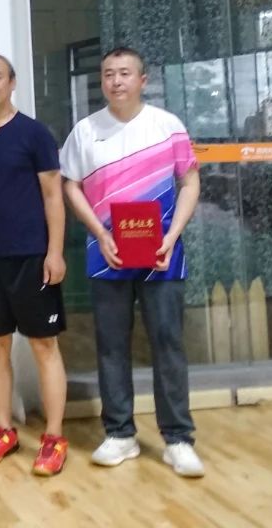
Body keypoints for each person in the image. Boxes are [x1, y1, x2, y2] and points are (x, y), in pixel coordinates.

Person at [60, 46, 205, 478]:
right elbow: (70, 186)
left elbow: (190, 181)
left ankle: (178, 439)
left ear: (143, 80)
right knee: (111, 346)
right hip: (107, 255)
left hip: (162, 256)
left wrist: (172, 236)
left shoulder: (167, 126)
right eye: (108, 74)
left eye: (125, 73)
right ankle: (120, 433)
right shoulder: (85, 131)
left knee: (168, 343)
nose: (116, 81)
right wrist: (100, 233)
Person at [0, 54, 70, 477]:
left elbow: (53, 196)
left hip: (32, 256)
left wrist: (54, 252)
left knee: (44, 345)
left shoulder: (35, 134)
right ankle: (3, 430)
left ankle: (54, 437)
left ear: (12, 83)